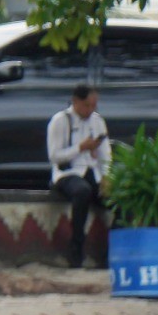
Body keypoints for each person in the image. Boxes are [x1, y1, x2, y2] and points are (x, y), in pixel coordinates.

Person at [46, 83, 111, 268]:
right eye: (87, 105)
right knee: (82, 192)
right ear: (75, 102)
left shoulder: (98, 121)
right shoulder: (60, 121)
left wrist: (106, 176)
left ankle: (109, 253)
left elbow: (106, 154)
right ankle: (76, 249)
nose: (91, 110)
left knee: (119, 200)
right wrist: (80, 148)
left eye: (94, 106)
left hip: (93, 172)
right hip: (68, 173)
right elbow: (54, 156)